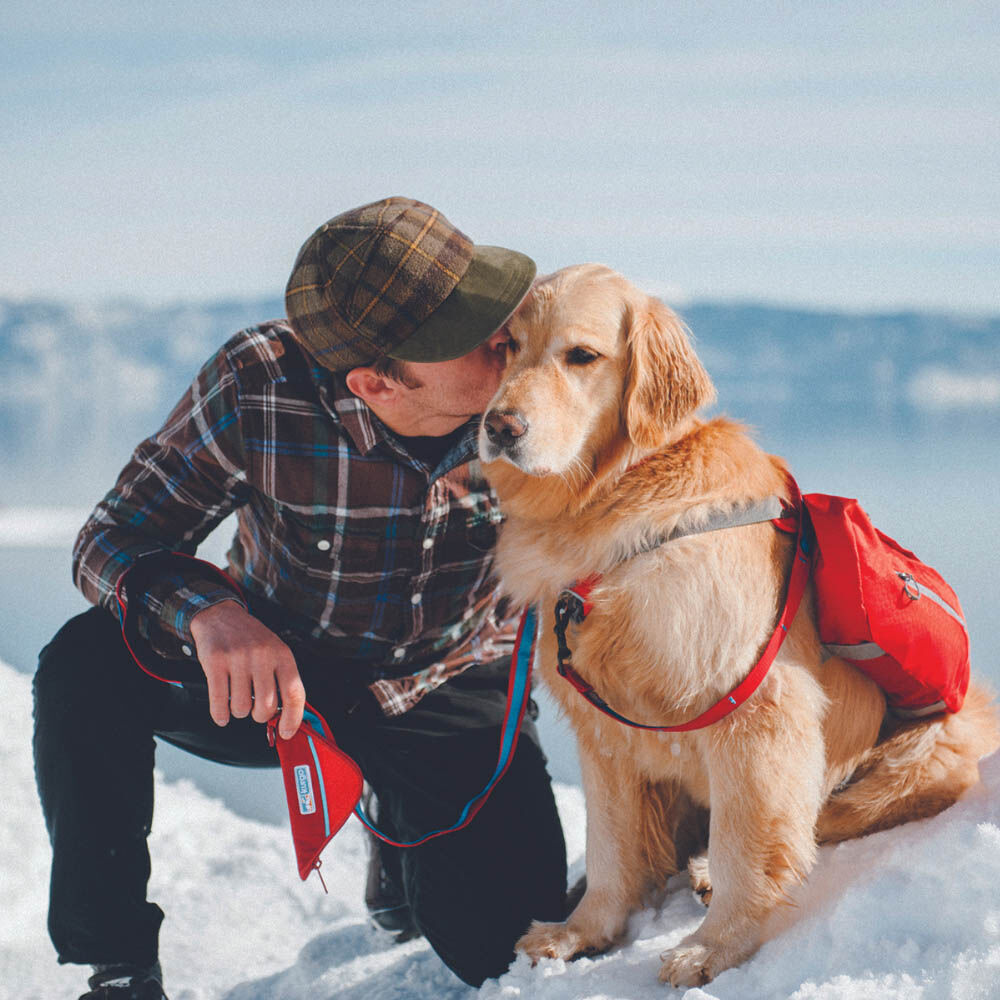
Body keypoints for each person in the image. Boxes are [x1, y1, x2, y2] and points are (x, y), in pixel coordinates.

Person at [33, 197, 568, 1000]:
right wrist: (212, 615)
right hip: (287, 682)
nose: (507, 335)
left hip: (452, 686)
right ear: (377, 383)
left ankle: (400, 839)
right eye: (471, 332)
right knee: (85, 664)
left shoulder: (549, 388)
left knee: (507, 953)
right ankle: (116, 968)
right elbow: (111, 539)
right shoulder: (259, 382)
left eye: (492, 306)